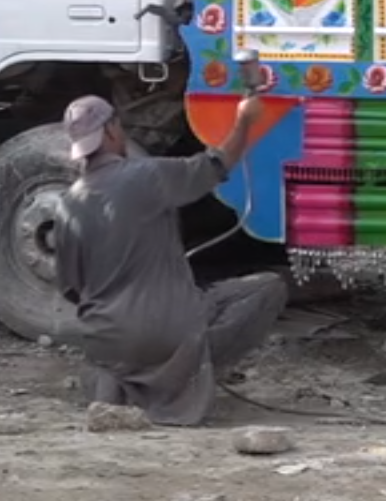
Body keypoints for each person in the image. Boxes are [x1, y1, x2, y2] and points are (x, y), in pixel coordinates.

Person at [52, 91, 287, 426]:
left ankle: (120, 386)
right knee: (267, 288)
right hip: (164, 335)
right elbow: (216, 165)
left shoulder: (66, 205)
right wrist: (245, 121)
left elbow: (71, 288)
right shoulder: (147, 175)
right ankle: (185, 377)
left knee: (126, 339)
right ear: (111, 131)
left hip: (107, 342)